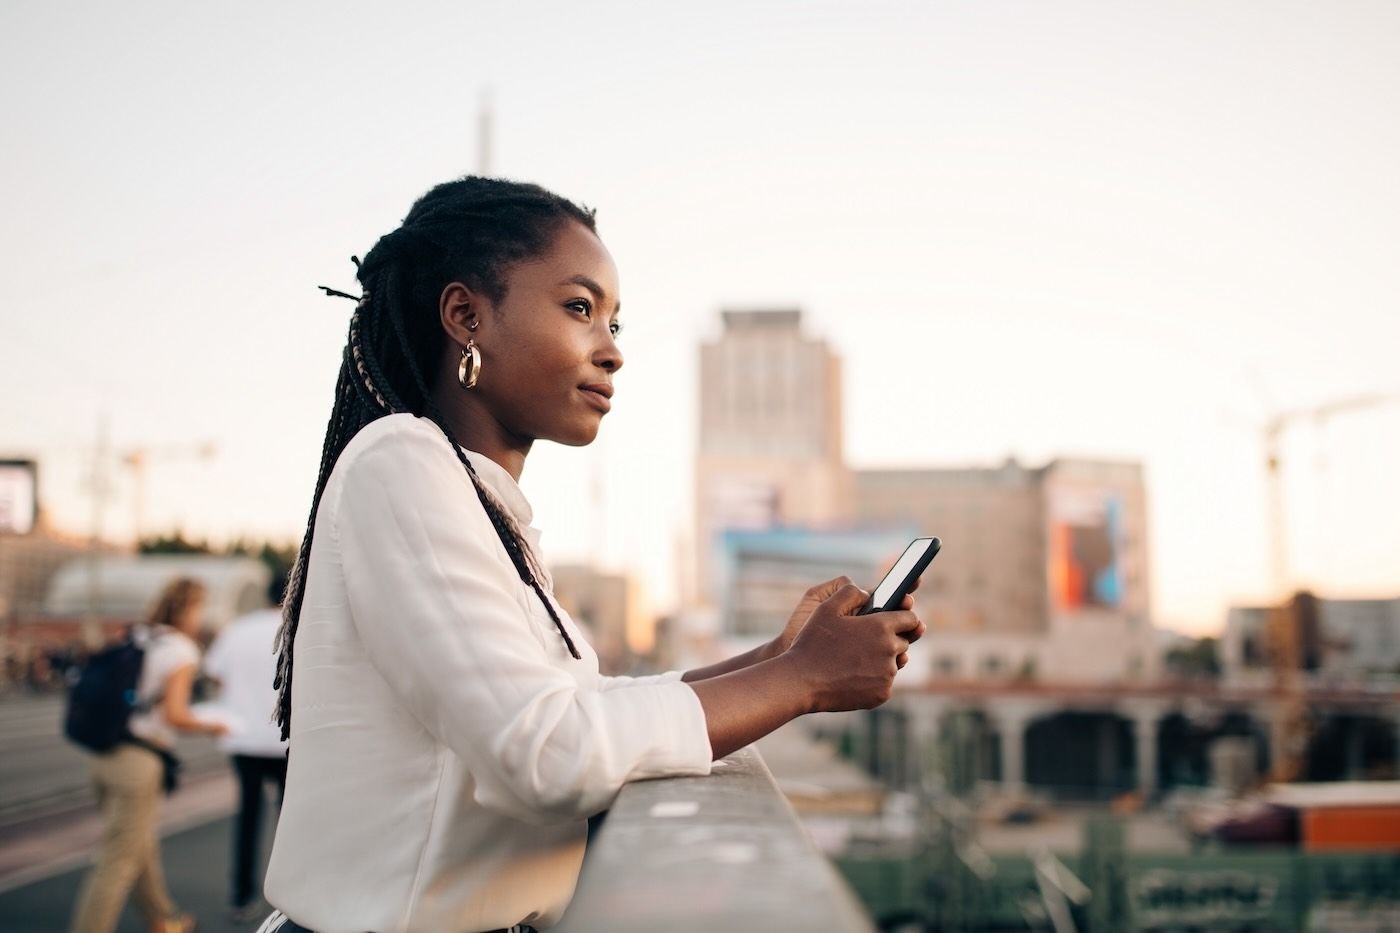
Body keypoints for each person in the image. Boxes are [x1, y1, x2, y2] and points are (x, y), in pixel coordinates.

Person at [259, 176, 925, 933]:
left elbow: (585, 707)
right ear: (465, 315)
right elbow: (550, 751)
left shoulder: (476, 500)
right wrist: (801, 679)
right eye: (580, 308)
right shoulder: (401, 462)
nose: (612, 352)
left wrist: (777, 653)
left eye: (615, 321)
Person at [70, 576, 229, 933]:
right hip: (139, 761)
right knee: (118, 860)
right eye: (200, 607)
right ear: (189, 608)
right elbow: (175, 714)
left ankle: (164, 919)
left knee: (138, 846)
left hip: (104, 752)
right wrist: (214, 725)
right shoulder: (182, 650)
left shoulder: (140, 635)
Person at [203, 574, 291, 921]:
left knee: (248, 816)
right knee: (291, 820)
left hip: (244, 737)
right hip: (287, 739)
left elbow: (214, 673)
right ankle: (290, 899)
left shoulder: (238, 629)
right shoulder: (298, 627)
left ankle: (241, 896)